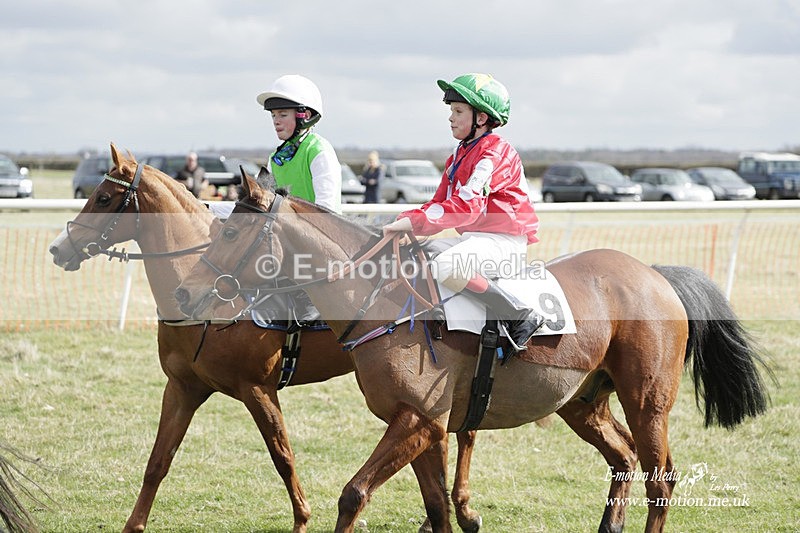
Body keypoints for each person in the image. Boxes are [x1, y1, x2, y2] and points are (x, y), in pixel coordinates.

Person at [382, 73, 544, 350]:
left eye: (458, 111)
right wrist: (402, 220)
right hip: (477, 240)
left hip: (504, 244)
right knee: (423, 253)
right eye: (451, 111)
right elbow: (438, 204)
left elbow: (466, 208)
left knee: (446, 265)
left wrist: (411, 223)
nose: (451, 118)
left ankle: (519, 315)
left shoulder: (494, 155)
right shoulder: (458, 155)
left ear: (481, 118)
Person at [257, 74, 342, 213]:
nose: (276, 121)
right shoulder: (274, 158)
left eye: (283, 115)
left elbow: (327, 209)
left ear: (306, 116)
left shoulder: (318, 150)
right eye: (273, 115)